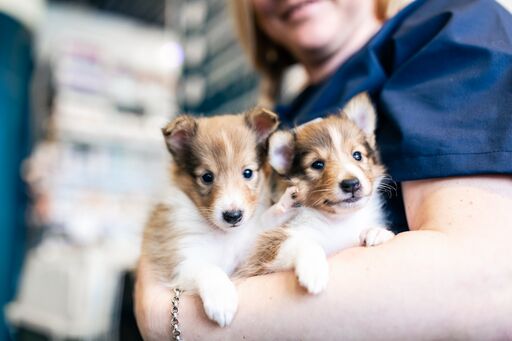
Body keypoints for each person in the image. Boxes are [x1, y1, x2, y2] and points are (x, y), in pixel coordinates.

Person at [135, 0, 512, 339]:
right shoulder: (274, 125)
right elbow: (170, 242)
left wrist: (169, 320)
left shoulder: (453, 30)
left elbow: (486, 283)